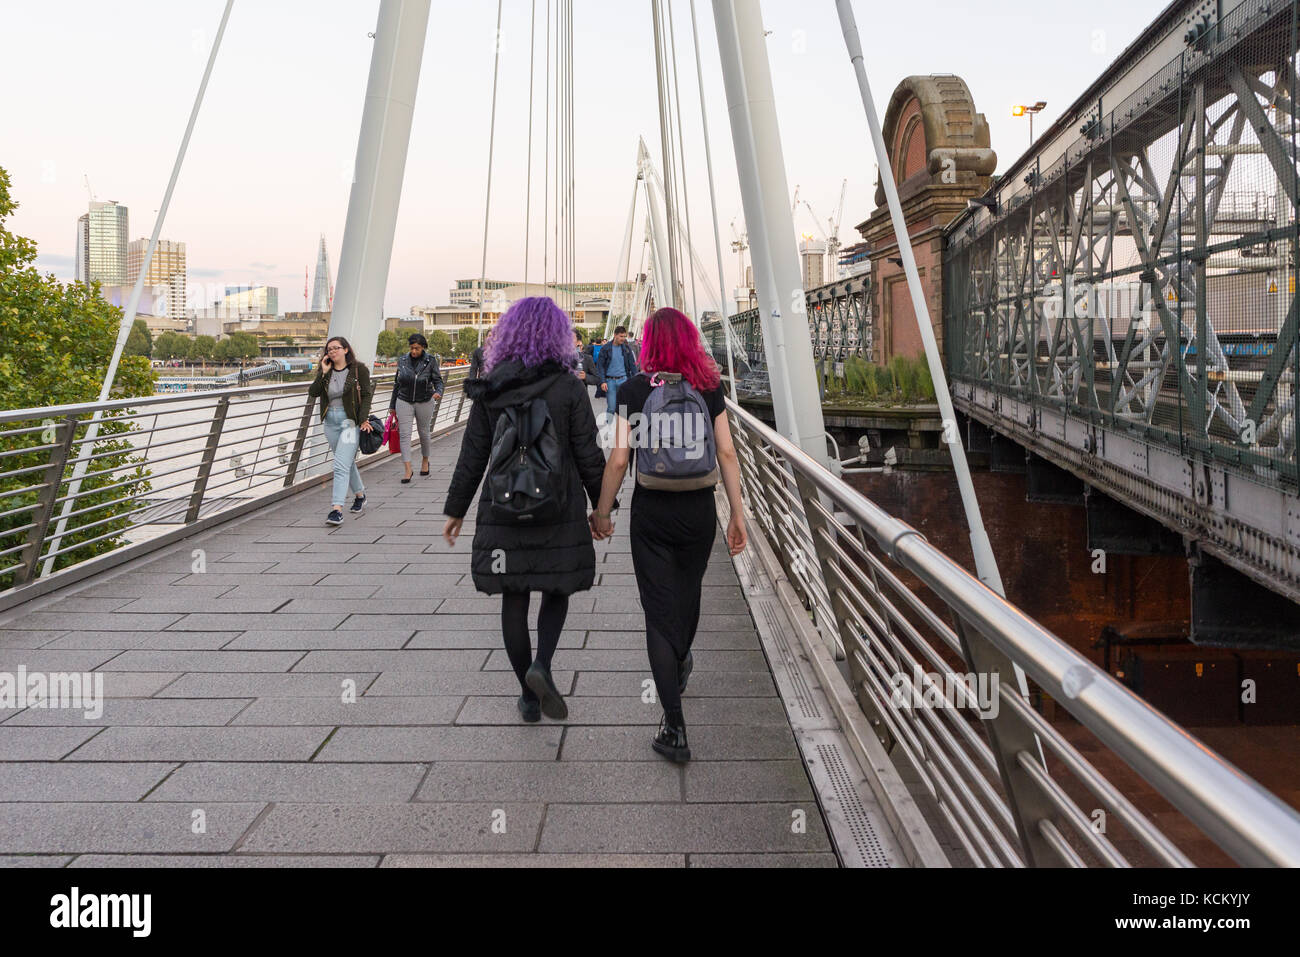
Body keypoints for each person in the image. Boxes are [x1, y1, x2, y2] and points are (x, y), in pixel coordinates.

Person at [591, 307, 748, 763]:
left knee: (658, 615)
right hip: (699, 510)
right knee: (688, 594)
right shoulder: (709, 386)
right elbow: (727, 453)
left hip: (652, 512)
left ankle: (674, 727)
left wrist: (602, 512)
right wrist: (737, 514)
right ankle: (680, 658)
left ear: (649, 343)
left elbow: (619, 459)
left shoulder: (636, 390)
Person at [442, 297, 607, 723]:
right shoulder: (569, 387)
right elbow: (587, 451)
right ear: (558, 336)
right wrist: (602, 508)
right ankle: (543, 666)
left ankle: (528, 697)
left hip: (503, 509)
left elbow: (473, 453)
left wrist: (456, 509)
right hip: (559, 506)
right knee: (557, 588)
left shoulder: (491, 387)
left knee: (512, 598)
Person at [308, 336, 374, 525]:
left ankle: (336, 509)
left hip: (348, 422)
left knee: (339, 465)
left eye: (336, 348)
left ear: (346, 350)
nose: (332, 352)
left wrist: (362, 419)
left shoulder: (358, 369)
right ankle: (360, 495)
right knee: (345, 462)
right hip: (330, 422)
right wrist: (323, 373)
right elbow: (313, 392)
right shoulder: (325, 370)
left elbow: (367, 394)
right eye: (329, 349)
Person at [389, 333, 444, 482]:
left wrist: (438, 392)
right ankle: (408, 469)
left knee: (424, 433)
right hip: (404, 400)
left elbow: (438, 381)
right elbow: (397, 384)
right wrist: (392, 405)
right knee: (405, 435)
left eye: (417, 348)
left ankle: (425, 460)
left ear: (423, 348)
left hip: (425, 400)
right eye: (412, 348)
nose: (414, 351)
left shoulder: (430, 361)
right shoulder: (402, 360)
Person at [595, 325, 639, 416]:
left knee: (623, 408)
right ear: (615, 335)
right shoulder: (605, 349)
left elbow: (632, 366)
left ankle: (621, 428)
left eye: (624, 336)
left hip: (623, 380)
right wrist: (602, 381)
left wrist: (636, 380)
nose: (623, 339)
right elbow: (600, 366)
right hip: (610, 381)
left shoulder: (626, 349)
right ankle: (609, 428)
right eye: (621, 336)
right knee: (611, 408)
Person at [575, 328, 602, 393]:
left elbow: (597, 379)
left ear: (578, 342)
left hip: (580, 398)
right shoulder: (557, 358)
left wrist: (586, 377)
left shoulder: (586, 359)